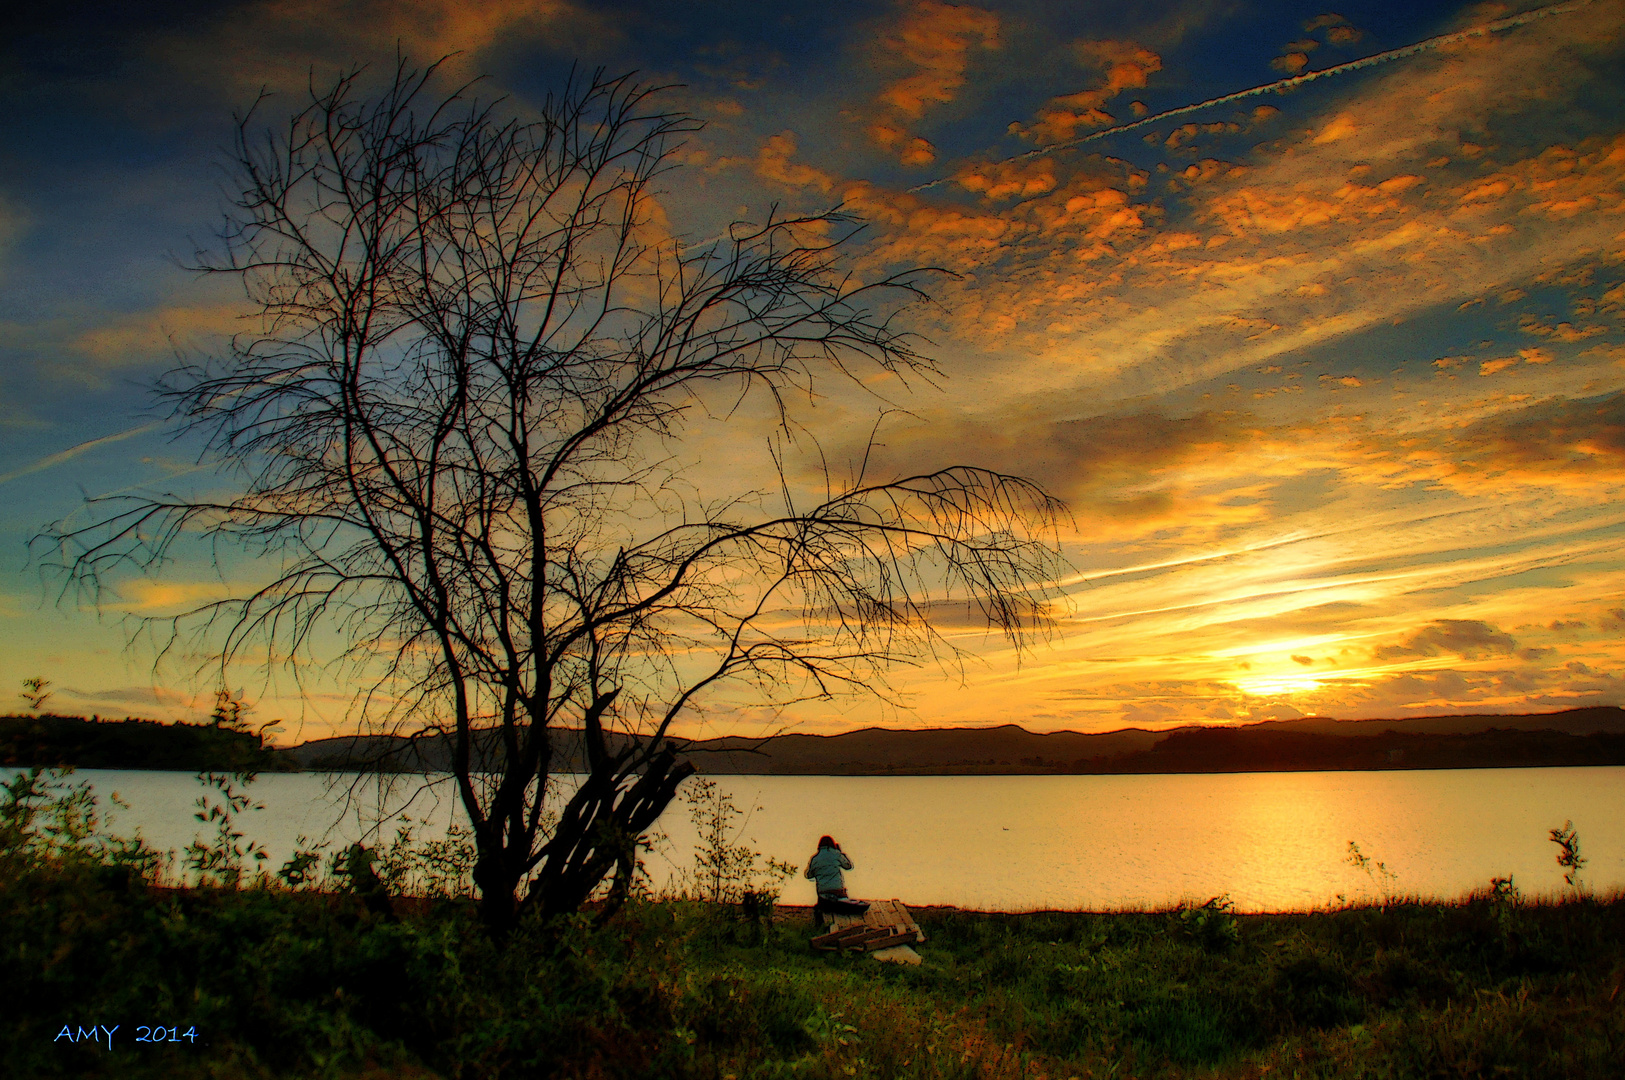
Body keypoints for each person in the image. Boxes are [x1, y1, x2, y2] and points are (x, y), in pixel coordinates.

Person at [805, 835, 864, 914]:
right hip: (838, 891)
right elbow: (849, 866)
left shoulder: (814, 858)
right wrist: (841, 853)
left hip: (822, 893)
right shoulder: (836, 854)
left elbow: (808, 875)